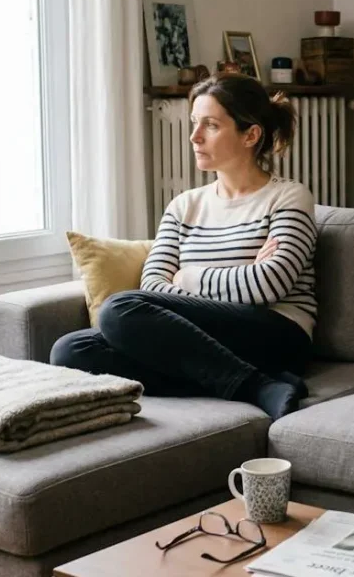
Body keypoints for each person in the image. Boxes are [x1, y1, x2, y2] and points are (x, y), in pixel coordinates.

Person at [51, 73, 318, 420]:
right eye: (194, 122)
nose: (195, 136)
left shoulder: (288, 197)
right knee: (70, 350)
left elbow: (270, 283)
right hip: (202, 337)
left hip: (277, 334)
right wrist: (241, 276)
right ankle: (256, 383)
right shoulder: (184, 206)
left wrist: (188, 278)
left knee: (119, 308)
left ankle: (255, 385)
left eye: (211, 125)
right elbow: (153, 285)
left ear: (250, 135)